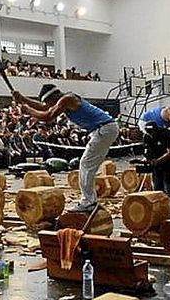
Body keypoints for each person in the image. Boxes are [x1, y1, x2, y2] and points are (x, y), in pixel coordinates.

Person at [12, 84, 118, 212]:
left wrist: (28, 110)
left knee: (86, 164)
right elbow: (44, 107)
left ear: (54, 96)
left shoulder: (67, 99)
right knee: (88, 165)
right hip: (104, 129)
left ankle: (89, 202)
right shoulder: (63, 100)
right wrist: (22, 98)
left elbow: (48, 116)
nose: (48, 104)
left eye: (49, 101)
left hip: (104, 129)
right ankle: (90, 200)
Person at [142, 121, 170, 209]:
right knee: (157, 186)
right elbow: (146, 150)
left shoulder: (166, 134)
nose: (150, 134)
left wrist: (158, 160)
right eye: (148, 132)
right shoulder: (146, 136)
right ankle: (159, 207)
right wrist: (147, 159)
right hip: (157, 165)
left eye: (152, 132)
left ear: (156, 129)